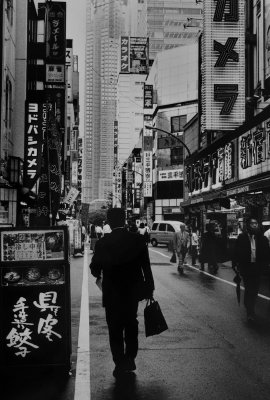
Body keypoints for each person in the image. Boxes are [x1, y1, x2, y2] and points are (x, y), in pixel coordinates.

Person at [90, 208, 155, 377]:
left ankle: (119, 362)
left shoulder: (103, 243)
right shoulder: (138, 240)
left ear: (109, 223)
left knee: (115, 328)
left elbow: (94, 268)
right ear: (124, 220)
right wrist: (149, 288)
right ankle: (130, 358)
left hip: (112, 292)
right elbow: (146, 267)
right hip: (132, 291)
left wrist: (100, 272)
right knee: (131, 324)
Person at [233, 217, 270, 323]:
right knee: (249, 289)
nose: (255, 225)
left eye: (256, 223)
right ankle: (250, 311)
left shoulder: (262, 238)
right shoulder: (242, 237)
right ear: (248, 225)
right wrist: (235, 265)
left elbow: (266, 253)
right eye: (252, 223)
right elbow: (236, 252)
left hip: (257, 268)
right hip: (247, 268)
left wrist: (265, 265)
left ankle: (250, 307)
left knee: (255, 291)